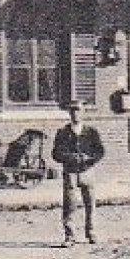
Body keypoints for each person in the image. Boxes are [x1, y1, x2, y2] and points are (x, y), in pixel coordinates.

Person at [51, 99, 105, 247]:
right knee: (69, 204)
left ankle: (91, 232)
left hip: (88, 172)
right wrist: (70, 157)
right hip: (71, 173)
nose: (76, 114)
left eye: (78, 110)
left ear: (83, 112)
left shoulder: (91, 132)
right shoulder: (62, 133)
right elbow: (56, 154)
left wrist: (89, 158)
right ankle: (70, 236)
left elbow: (100, 151)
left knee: (90, 203)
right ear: (69, 113)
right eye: (73, 111)